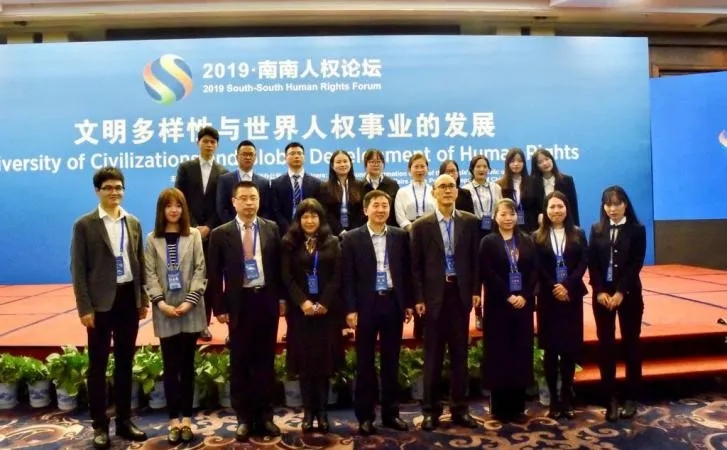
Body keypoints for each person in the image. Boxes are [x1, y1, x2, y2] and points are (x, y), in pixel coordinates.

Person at [70, 166, 148, 449]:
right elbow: (78, 269)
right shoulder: (84, 224)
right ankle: (100, 425)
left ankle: (125, 421)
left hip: (128, 298)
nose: (114, 192)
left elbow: (139, 263)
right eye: (108, 188)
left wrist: (142, 299)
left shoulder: (133, 222)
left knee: (126, 362)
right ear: (97, 191)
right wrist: (84, 307)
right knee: (98, 365)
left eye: (118, 188)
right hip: (100, 303)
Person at [207, 181, 284, 442]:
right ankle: (243, 417)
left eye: (253, 198)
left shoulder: (271, 228)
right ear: (234, 202)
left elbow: (279, 268)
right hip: (238, 304)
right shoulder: (221, 233)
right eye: (244, 198)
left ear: (259, 200)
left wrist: (281, 299)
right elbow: (214, 275)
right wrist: (219, 307)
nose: (249, 203)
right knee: (240, 361)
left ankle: (265, 416)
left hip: (266, 300)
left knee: (265, 360)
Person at [411, 174, 480, 431]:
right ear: (434, 192)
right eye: (442, 186)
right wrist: (418, 297)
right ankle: (431, 411)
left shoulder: (469, 222)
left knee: (460, 356)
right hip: (433, 299)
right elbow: (415, 267)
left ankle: (460, 409)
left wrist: (476, 290)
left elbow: (475, 260)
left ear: (457, 191)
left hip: (460, 295)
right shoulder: (421, 225)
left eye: (451, 186)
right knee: (433, 357)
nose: (448, 190)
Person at [342, 190, 413, 435]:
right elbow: (347, 277)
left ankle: (391, 414)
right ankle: (365, 416)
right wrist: (350, 308)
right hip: (366, 305)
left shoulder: (399, 236)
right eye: (376, 205)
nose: (381, 210)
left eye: (385, 205)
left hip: (392, 302)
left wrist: (408, 303)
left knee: (391, 361)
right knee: (365, 363)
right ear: (365, 210)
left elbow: (406, 272)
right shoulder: (352, 238)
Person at [143, 188, 207, 444]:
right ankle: (173, 421)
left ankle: (187, 420)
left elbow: (201, 270)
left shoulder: (193, 235)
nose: (173, 210)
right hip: (165, 311)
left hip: (191, 309)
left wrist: (189, 302)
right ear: (161, 210)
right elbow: (149, 274)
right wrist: (161, 303)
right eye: (168, 205)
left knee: (188, 367)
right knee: (170, 368)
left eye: (178, 205)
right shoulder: (151, 239)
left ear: (183, 209)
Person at [281, 198, 342, 433]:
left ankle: (323, 413)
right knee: (305, 364)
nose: (309, 220)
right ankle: (308, 412)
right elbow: (286, 276)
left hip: (326, 312)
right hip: (300, 313)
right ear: (298, 219)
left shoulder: (333, 242)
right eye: (305, 216)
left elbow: (337, 276)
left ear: (320, 218)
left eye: (313, 216)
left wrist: (324, 302)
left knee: (324, 364)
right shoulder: (289, 243)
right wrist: (302, 302)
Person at [587, 185, 646, 422]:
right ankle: (609, 398)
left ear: (625, 205)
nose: (612, 209)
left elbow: (635, 264)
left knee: (631, 344)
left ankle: (631, 397)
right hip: (602, 296)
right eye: (608, 204)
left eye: (617, 204)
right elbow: (592, 263)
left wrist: (621, 291)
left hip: (629, 294)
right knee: (606, 346)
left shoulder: (637, 230)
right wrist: (600, 290)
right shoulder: (596, 229)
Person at [479, 198, 538, 423]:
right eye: (503, 214)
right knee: (499, 352)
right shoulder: (488, 242)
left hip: (523, 305)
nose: (508, 218)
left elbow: (534, 271)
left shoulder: (527, 240)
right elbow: (487, 272)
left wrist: (525, 295)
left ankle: (518, 406)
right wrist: (508, 295)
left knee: (520, 351)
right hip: (498, 305)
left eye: (511, 214)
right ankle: (500, 407)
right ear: (495, 217)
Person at [532, 191, 587, 420]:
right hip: (548, 298)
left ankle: (566, 398)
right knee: (551, 350)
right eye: (552, 207)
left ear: (567, 209)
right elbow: (536, 266)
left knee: (569, 350)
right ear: (545, 210)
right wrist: (554, 286)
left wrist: (567, 285)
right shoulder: (537, 236)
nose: (556, 211)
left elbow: (583, 262)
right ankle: (554, 400)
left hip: (571, 297)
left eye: (560, 206)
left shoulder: (578, 233)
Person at [175, 126, 228, 341]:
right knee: (190, 279)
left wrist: (208, 226)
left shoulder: (223, 172)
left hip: (212, 233)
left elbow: (222, 204)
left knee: (210, 279)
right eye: (205, 141)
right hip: (189, 232)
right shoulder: (185, 168)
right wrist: (194, 225)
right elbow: (179, 198)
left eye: (212, 142)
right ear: (198, 143)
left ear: (217, 146)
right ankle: (189, 321)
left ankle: (204, 323)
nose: (209, 145)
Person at [270, 141, 322, 236]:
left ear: (304, 157)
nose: (296, 156)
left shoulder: (316, 183)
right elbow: (275, 210)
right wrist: (288, 229)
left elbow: (319, 209)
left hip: (310, 230)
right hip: (284, 233)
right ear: (285, 158)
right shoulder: (276, 183)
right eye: (292, 153)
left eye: (299, 153)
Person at [216, 139, 271, 222]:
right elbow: (222, 208)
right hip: (231, 227)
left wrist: (256, 225)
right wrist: (235, 226)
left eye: (251, 154)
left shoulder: (264, 183)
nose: (248, 157)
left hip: (256, 227)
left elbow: (266, 210)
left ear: (255, 157)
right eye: (244, 154)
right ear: (237, 157)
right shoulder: (225, 180)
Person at [316, 150, 365, 237]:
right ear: (332, 166)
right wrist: (340, 231)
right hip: (332, 234)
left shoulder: (360, 185)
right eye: (338, 162)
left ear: (350, 164)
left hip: (356, 233)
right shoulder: (324, 187)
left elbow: (363, 210)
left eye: (345, 161)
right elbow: (324, 212)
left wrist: (352, 231)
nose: (342, 164)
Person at [530, 148, 580, 227]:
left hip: (564, 226)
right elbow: (532, 210)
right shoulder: (532, 183)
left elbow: (573, 207)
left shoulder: (567, 180)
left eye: (547, 159)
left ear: (552, 159)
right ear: (536, 166)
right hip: (541, 228)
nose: (545, 163)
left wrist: (575, 227)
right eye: (540, 162)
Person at [496, 148, 538, 233]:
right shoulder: (499, 184)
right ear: (507, 163)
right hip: (507, 226)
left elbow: (538, 206)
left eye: (519, 161)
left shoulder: (533, 182)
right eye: (512, 161)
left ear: (524, 163)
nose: (516, 164)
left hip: (531, 227)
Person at [360, 149, 400, 227]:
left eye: (378, 162)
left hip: (389, 228)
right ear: (365, 165)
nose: (375, 165)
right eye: (372, 162)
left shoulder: (392, 184)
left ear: (383, 164)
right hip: (365, 229)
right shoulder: (359, 185)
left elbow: (396, 210)